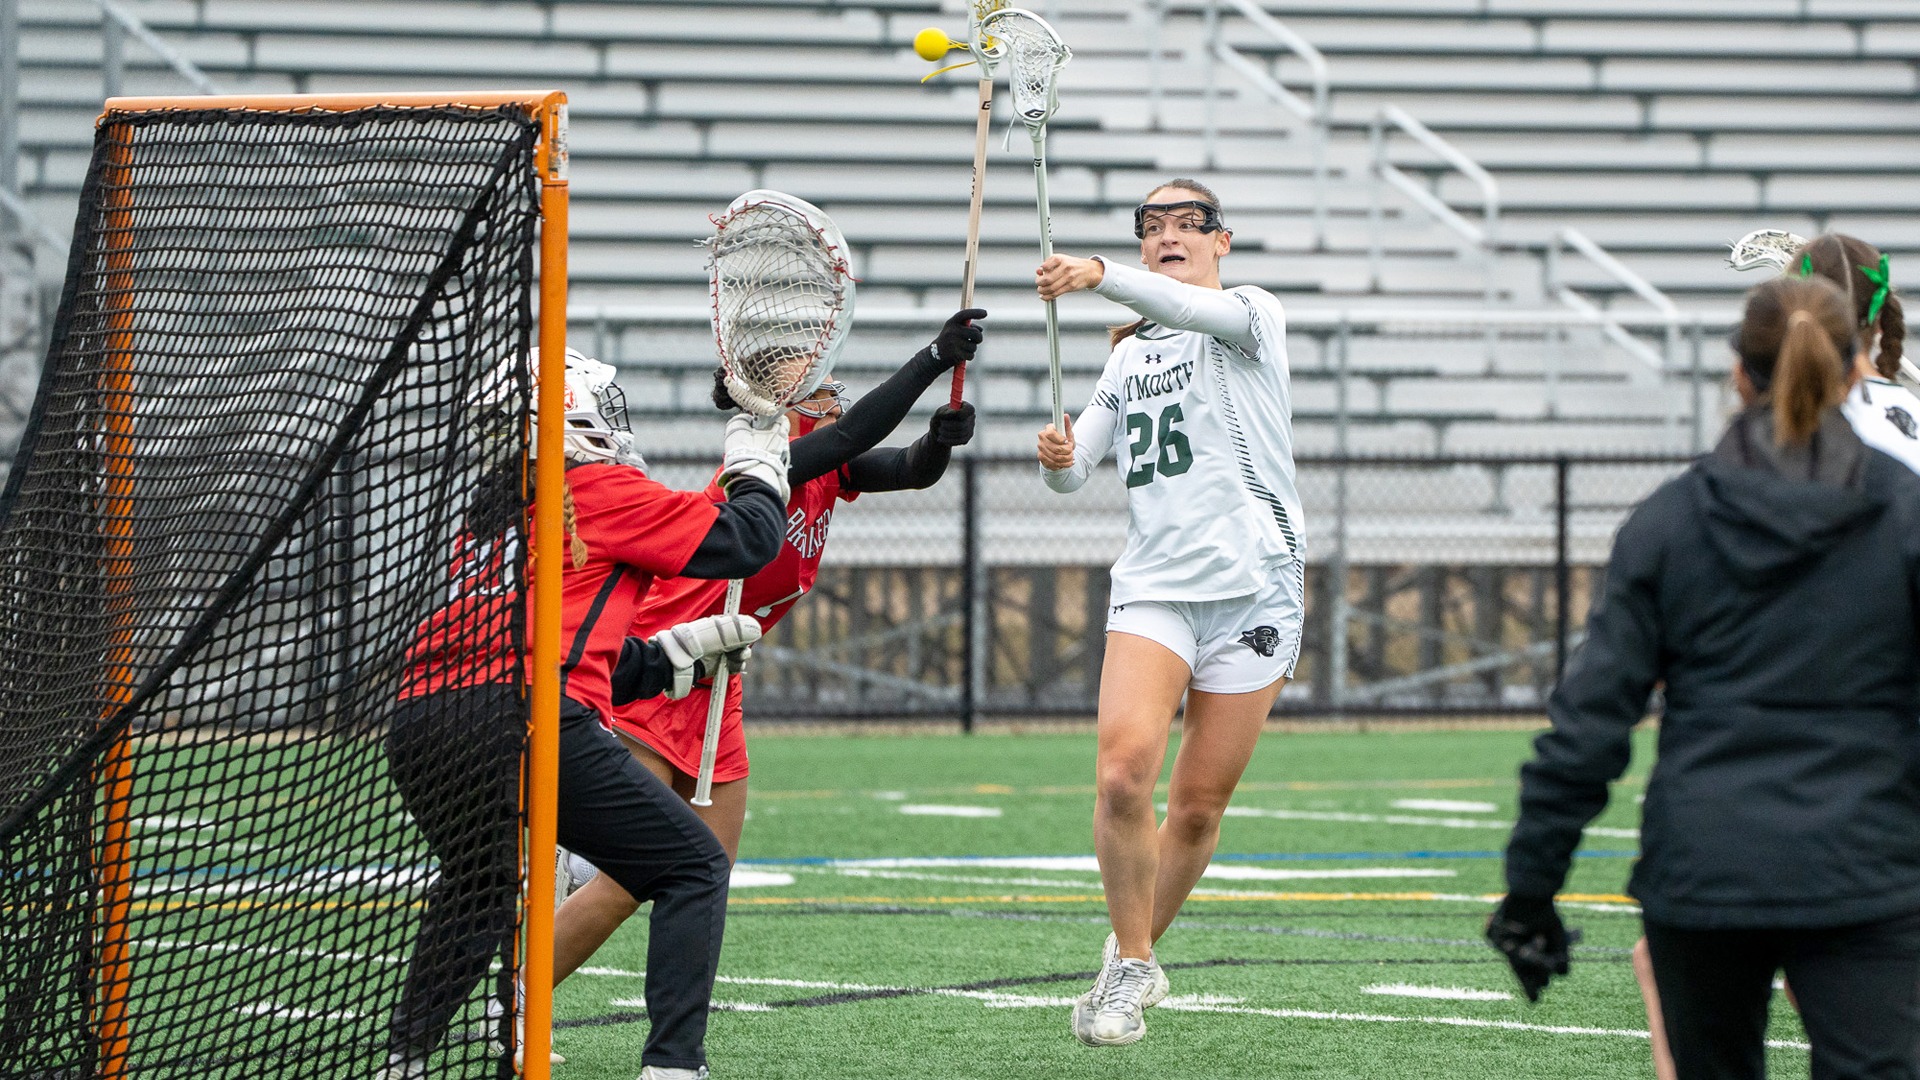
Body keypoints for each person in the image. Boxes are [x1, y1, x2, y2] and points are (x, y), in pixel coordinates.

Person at [1491, 275, 1920, 1080]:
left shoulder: (1671, 519)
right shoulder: (1905, 513)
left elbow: (1591, 720)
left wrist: (1531, 886)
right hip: (1865, 867)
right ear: (1857, 368)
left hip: (1707, 864)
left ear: (1737, 371)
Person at [380, 347, 787, 1080]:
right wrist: (754, 454)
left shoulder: (486, 512)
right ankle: (672, 1068)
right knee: (693, 865)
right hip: (521, 721)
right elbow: (748, 540)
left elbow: (536, 644)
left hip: (418, 726)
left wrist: (666, 657)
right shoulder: (592, 488)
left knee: (479, 879)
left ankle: (405, 1056)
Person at [1628, 231, 1909, 1080]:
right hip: (1874, 784)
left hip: (1757, 794)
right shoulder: (1895, 404)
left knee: (1683, 971)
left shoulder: (1747, 468)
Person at [1034, 179, 1304, 1047]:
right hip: (1156, 588)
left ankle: (1124, 956)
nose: (1170, 237)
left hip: (1259, 589)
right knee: (1122, 776)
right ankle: (1135, 963)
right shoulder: (1126, 358)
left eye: (1189, 224)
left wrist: (1099, 272)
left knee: (1195, 807)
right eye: (1153, 229)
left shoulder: (1252, 315)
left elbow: (1182, 308)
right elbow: (1075, 478)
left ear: (1222, 240)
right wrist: (1059, 457)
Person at [594, 311, 982, 861]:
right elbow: (854, 433)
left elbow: (907, 469)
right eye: (820, 392)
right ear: (779, 407)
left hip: (718, 676)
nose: (835, 401)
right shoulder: (763, 464)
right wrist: (933, 359)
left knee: (706, 869)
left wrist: (939, 439)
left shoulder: (827, 470)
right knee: (619, 873)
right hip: (661, 664)